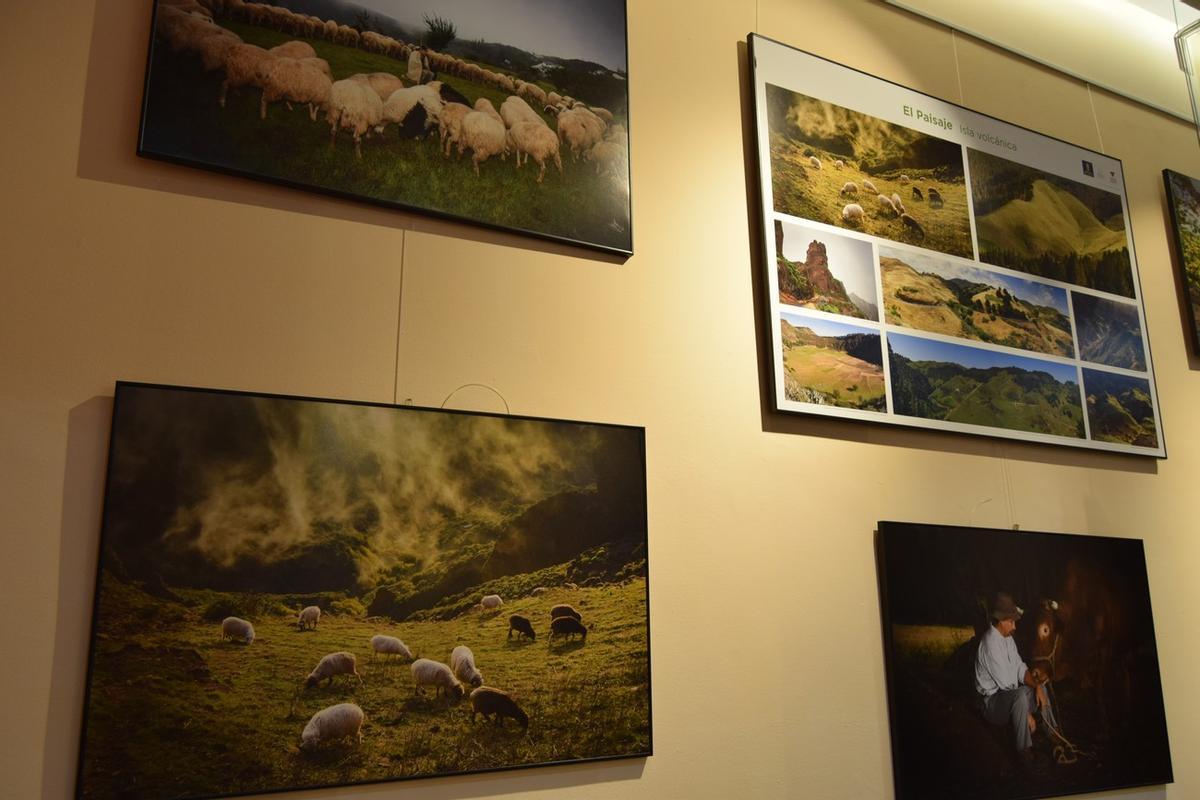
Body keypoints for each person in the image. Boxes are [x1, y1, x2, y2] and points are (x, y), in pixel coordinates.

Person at [975, 591, 1057, 757]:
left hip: (1009, 697)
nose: (1015, 626)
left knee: (1041, 686)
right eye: (1012, 621)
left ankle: (1053, 734)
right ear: (1001, 620)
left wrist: (1037, 685)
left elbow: (1019, 667)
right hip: (992, 704)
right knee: (1020, 695)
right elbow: (1008, 685)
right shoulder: (990, 643)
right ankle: (1024, 752)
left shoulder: (1007, 638)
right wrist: (1027, 715)